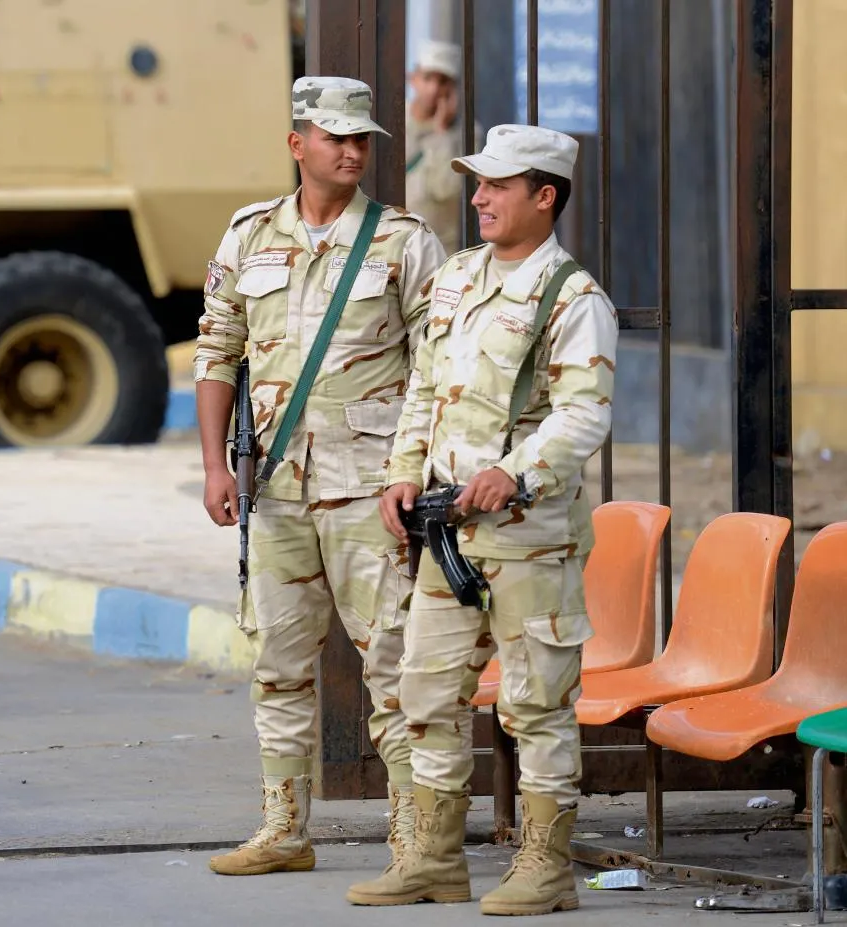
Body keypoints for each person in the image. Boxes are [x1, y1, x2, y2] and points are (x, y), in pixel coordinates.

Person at [344, 124, 618, 915]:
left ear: (545, 196)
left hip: (529, 540)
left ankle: (545, 866)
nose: (479, 197)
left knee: (535, 704)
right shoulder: (459, 278)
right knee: (424, 693)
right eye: (479, 183)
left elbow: (583, 415)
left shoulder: (574, 298)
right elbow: (424, 391)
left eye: (498, 185)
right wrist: (402, 475)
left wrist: (514, 471)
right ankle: (432, 859)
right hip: (445, 535)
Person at [193, 75, 447, 877]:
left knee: (396, 665)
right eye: (335, 136)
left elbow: (437, 367)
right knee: (276, 663)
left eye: (361, 137)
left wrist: (412, 470)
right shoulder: (248, 236)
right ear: (297, 142)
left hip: (371, 486)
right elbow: (216, 349)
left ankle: (416, 836)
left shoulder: (403, 241)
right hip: (275, 487)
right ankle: (284, 828)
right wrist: (213, 466)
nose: (351, 150)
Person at [406, 39, 466, 254]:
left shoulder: (465, 133)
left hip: (438, 248)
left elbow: (445, 189)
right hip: (393, 243)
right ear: (413, 79)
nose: (434, 89)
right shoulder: (395, 120)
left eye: (443, 82)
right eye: (428, 78)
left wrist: (441, 132)